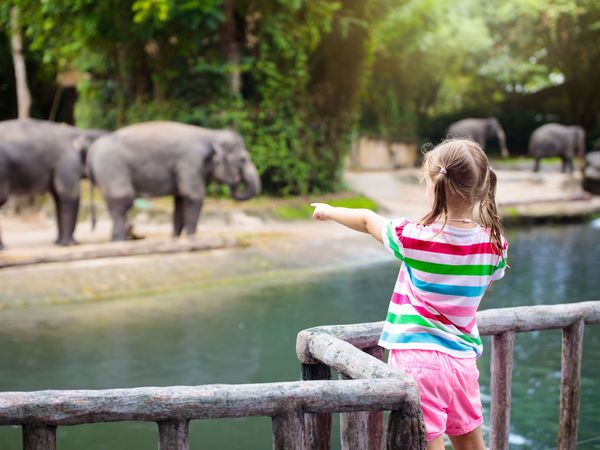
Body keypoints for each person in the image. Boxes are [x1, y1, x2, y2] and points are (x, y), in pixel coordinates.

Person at [311, 138, 508, 450]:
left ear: (433, 185)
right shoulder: (494, 245)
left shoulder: (414, 239)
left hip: (420, 360)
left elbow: (366, 219)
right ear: (483, 188)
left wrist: (331, 210)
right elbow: (486, 279)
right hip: (463, 362)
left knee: (425, 441)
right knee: (470, 442)